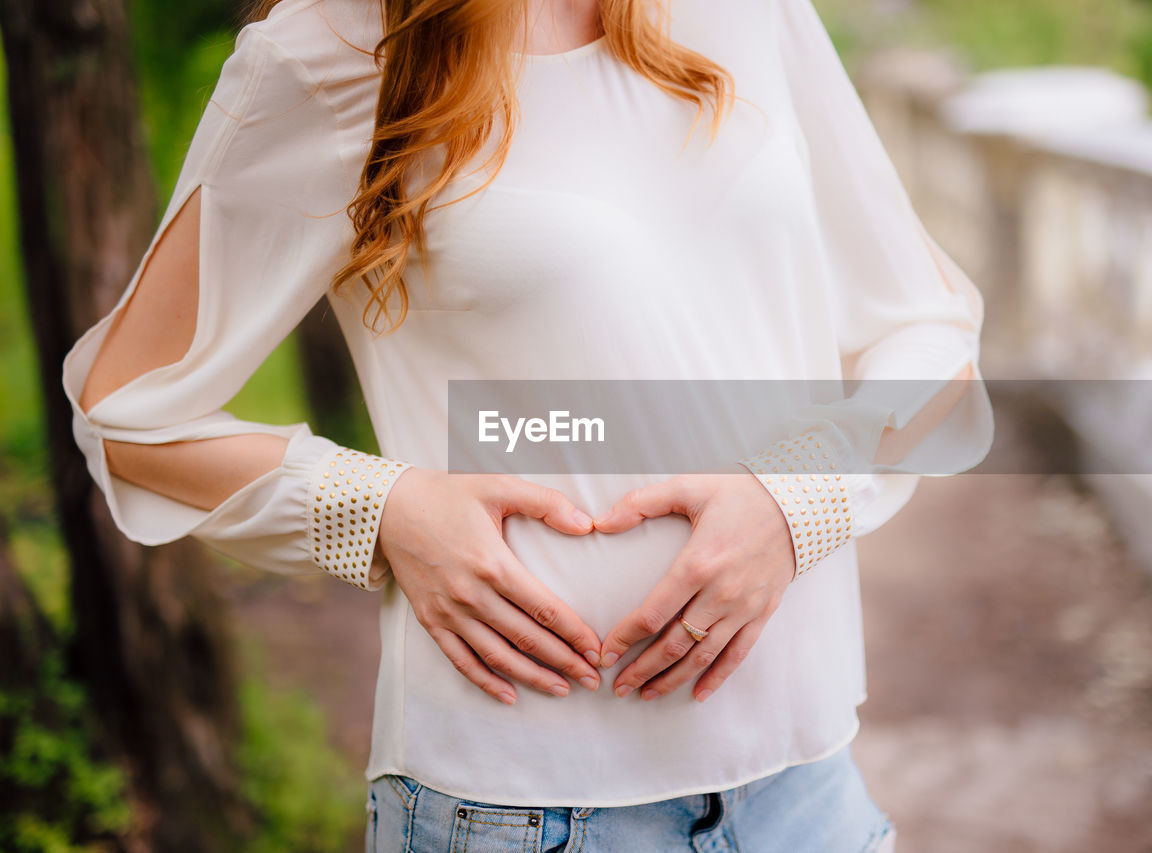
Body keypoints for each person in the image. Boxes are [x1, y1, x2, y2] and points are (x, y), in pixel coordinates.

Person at [62, 0, 994, 848]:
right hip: (525, 813)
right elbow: (127, 407)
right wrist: (383, 508)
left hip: (806, 790)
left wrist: (801, 494)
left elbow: (929, 330)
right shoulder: (332, 50)